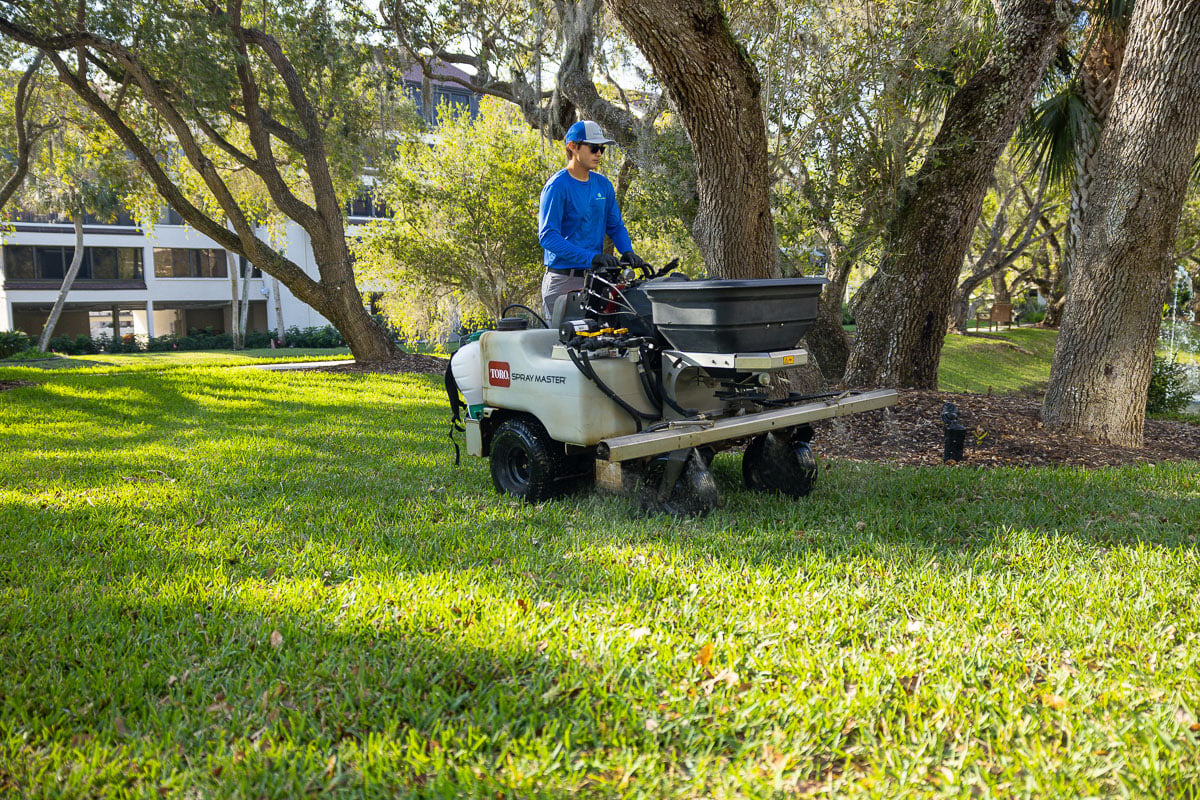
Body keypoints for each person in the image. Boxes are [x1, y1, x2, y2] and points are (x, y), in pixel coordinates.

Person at [538, 119, 646, 318]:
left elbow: (615, 226)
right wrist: (591, 257)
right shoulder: (557, 186)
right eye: (593, 147)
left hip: (596, 280)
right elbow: (547, 237)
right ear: (572, 146)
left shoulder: (603, 185)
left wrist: (627, 251)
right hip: (563, 281)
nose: (598, 153)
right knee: (562, 344)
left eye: (602, 149)